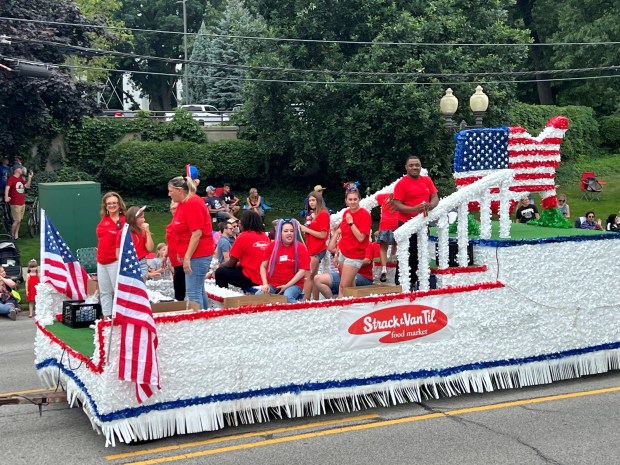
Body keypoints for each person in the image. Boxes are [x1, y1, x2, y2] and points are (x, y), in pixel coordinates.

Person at [391, 156, 439, 287]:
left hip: (422, 224)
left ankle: (414, 282)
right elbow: (397, 204)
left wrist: (431, 205)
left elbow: (435, 196)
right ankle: (400, 283)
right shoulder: (401, 183)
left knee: (420, 253)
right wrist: (413, 208)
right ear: (406, 167)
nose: (414, 167)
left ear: (420, 166)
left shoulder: (427, 180)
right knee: (406, 253)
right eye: (411, 165)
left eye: (417, 165)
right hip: (406, 224)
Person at [168, 175, 215, 309]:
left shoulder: (192, 203)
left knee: (193, 292)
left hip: (198, 254)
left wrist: (187, 257)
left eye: (171, 191)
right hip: (193, 253)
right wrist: (180, 252)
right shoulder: (184, 203)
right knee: (199, 290)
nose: (169, 194)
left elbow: (197, 233)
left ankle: (199, 323)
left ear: (179, 190)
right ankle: (205, 317)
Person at [258, 219, 311, 303]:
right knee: (257, 297)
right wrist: (265, 284)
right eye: (286, 231)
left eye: (291, 231)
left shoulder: (300, 247)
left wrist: (286, 286)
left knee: (287, 298)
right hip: (273, 284)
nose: (289, 233)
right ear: (280, 233)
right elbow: (263, 266)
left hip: (293, 284)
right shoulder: (272, 245)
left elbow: (303, 271)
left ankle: (300, 312)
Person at [313, 230, 377, 299]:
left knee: (351, 278)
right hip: (344, 274)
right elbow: (330, 248)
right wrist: (337, 233)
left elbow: (367, 261)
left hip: (363, 277)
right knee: (317, 279)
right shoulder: (346, 243)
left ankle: (347, 301)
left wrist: (349, 264)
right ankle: (333, 301)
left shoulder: (367, 243)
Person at [215, 210, 269, 290]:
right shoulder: (265, 236)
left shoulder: (243, 236)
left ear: (245, 223)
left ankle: (223, 296)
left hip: (251, 277)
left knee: (220, 272)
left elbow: (231, 264)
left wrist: (219, 266)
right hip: (264, 277)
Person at [335, 182, 372, 296]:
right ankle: (353, 307)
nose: (353, 202)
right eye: (350, 199)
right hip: (343, 252)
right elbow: (343, 235)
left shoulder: (364, 214)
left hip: (355, 255)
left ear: (359, 199)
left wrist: (351, 223)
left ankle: (339, 310)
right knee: (350, 284)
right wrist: (337, 252)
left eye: (355, 199)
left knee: (343, 286)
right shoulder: (346, 212)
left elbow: (361, 237)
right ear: (346, 200)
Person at [96, 192, 127, 317]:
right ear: (105, 206)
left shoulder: (124, 220)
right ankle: (106, 316)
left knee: (118, 290)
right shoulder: (104, 220)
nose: (112, 205)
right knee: (104, 291)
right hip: (101, 261)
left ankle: (120, 316)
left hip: (115, 260)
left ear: (119, 204)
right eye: (109, 203)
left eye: (114, 203)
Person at [298, 190, 330, 299]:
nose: (311, 203)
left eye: (313, 200)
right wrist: (306, 230)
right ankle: (315, 300)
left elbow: (323, 235)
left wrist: (307, 229)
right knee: (314, 276)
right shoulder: (311, 214)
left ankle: (306, 301)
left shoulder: (323, 214)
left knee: (308, 276)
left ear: (319, 201)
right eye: (310, 200)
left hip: (317, 249)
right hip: (310, 248)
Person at [121, 206, 154, 280]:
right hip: (129, 263)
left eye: (143, 217)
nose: (144, 220)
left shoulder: (143, 231)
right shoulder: (125, 232)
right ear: (133, 219)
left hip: (141, 262)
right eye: (141, 217)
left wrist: (147, 232)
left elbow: (150, 248)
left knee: (141, 286)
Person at [4, 164, 33, 240]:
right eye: (21, 169)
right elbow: (7, 188)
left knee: (19, 220)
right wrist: (6, 197)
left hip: (22, 202)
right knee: (17, 220)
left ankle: (16, 236)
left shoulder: (20, 179)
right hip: (15, 203)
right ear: (17, 170)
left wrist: (29, 178)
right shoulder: (11, 178)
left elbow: (27, 186)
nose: (22, 170)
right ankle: (11, 236)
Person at [376, 192, 398, 282]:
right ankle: (393, 257)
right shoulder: (401, 198)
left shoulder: (383, 196)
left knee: (383, 248)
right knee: (395, 243)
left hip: (385, 225)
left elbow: (376, 197)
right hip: (396, 224)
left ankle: (384, 268)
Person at [166, 200, 185, 301]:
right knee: (178, 285)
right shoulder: (172, 223)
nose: (174, 210)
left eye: (176, 208)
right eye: (172, 208)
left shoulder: (182, 222)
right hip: (174, 260)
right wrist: (166, 254)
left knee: (180, 286)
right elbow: (170, 241)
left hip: (181, 259)